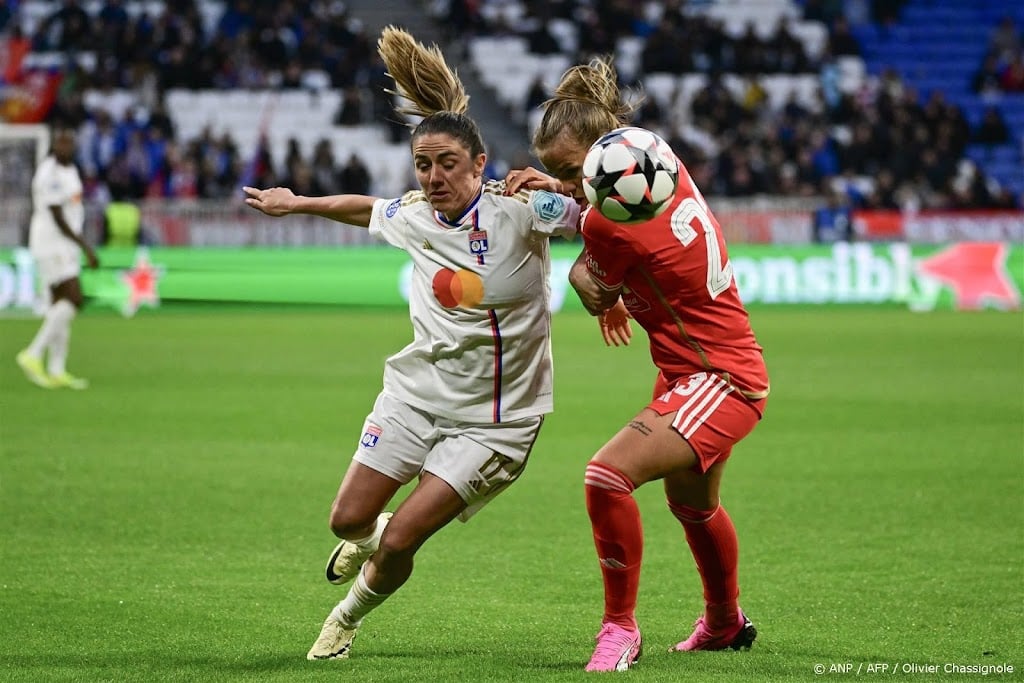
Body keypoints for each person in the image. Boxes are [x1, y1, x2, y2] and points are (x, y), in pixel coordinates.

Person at [242, 26, 580, 662]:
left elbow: (602, 217)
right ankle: (362, 540)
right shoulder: (414, 214)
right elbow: (364, 206)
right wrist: (296, 204)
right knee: (348, 521)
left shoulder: (520, 212)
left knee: (400, 541)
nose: (433, 177)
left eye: (447, 164)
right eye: (423, 165)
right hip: (416, 395)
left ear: (480, 164)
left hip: (496, 420)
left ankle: (344, 622)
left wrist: (564, 192)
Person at [505, 57, 770, 672]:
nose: (567, 183)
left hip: (720, 377)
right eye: (556, 172)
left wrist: (591, 277)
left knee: (606, 476)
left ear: (602, 156)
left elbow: (591, 281)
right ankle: (726, 624)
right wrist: (564, 193)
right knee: (694, 506)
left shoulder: (608, 227)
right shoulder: (656, 162)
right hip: (694, 366)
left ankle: (620, 629)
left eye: (570, 171)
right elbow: (599, 217)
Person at [16, 126, 99, 390]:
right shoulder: (48, 172)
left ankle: (56, 368)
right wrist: (85, 246)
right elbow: (57, 215)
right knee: (74, 299)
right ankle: (33, 353)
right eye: (62, 142)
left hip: (65, 246)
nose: (67, 147)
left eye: (70, 142)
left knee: (60, 306)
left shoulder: (71, 170)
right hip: (52, 243)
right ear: (54, 145)